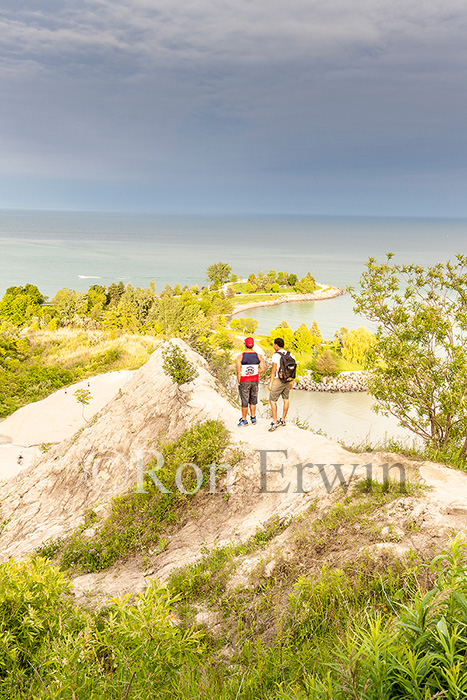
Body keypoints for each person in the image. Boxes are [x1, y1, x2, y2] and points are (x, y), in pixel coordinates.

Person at [236, 337, 265, 426]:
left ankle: (244, 419)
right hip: (255, 380)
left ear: (245, 344)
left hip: (244, 380)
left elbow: (238, 371)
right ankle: (253, 417)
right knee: (253, 399)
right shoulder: (258, 356)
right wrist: (254, 371)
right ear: (253, 345)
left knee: (244, 400)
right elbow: (262, 369)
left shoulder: (241, 356)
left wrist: (239, 381)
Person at [268, 337, 295, 431]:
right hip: (288, 379)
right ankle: (283, 419)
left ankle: (275, 421)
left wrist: (270, 383)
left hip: (278, 379)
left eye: (274, 344)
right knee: (286, 399)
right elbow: (293, 369)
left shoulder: (276, 355)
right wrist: (291, 381)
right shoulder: (290, 354)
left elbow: (274, 370)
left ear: (276, 345)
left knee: (272, 400)